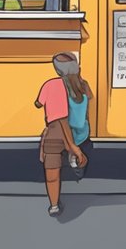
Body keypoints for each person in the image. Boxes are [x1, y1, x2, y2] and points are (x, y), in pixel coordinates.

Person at [35, 53, 89, 217]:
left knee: (52, 173)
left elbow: (41, 105)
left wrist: (70, 145)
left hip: (56, 135)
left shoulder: (52, 85)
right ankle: (74, 159)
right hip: (80, 132)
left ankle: (54, 206)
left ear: (58, 70)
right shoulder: (83, 85)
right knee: (75, 150)